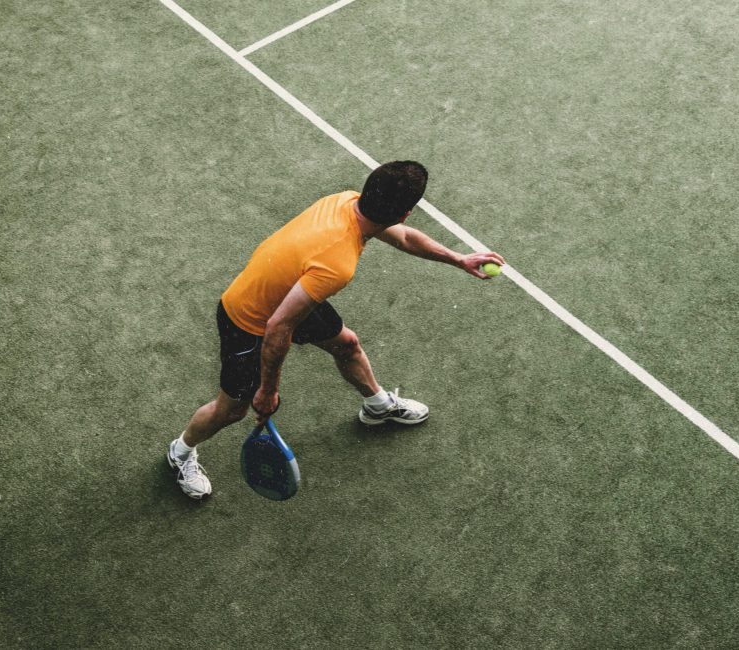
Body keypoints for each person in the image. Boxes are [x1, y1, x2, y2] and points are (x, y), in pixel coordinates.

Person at [167, 161, 505, 499]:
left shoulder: (347, 201)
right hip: (246, 318)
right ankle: (180, 452)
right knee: (232, 410)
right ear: (405, 213)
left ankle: (377, 406)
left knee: (347, 345)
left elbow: (402, 238)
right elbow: (277, 328)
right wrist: (268, 390)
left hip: (292, 292)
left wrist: (459, 259)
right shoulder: (336, 264)